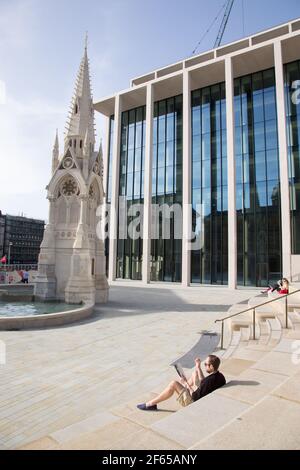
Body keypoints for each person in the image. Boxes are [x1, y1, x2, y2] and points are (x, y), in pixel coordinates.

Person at [137, 355, 226, 411]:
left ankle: (150, 404)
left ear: (211, 366)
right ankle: (184, 386)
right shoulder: (220, 376)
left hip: (193, 402)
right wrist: (198, 367)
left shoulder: (209, 381)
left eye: (205, 364)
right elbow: (204, 383)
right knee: (195, 373)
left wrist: (186, 383)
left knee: (173, 383)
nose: (205, 366)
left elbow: (195, 396)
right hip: (203, 394)